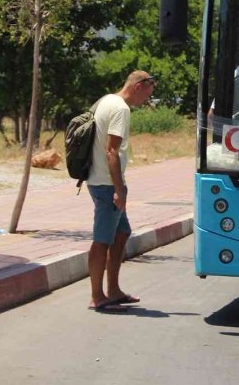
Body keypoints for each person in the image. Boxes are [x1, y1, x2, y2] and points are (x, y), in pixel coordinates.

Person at [86, 71, 156, 313]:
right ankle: (97, 296)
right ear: (138, 86)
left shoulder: (107, 100)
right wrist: (119, 189)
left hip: (103, 181)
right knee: (102, 239)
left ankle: (113, 290)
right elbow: (111, 152)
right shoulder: (121, 109)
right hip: (106, 184)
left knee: (122, 233)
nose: (147, 99)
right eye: (148, 93)